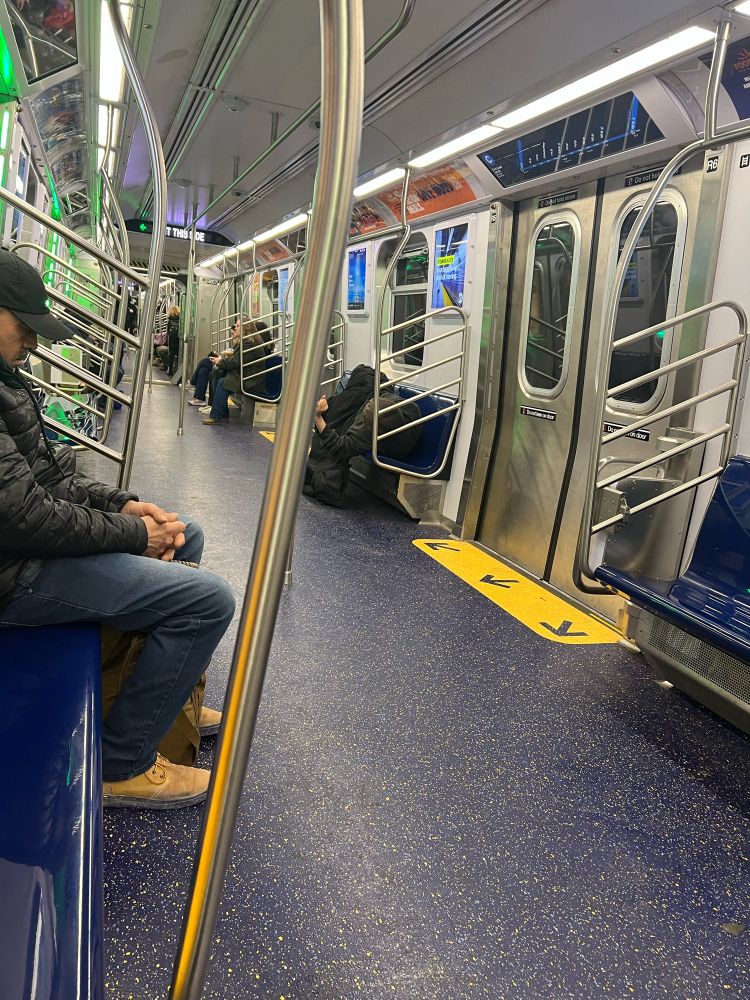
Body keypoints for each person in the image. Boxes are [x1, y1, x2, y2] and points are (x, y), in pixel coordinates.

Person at [0, 249, 236, 809]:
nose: (34, 344)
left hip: (20, 551)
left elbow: (53, 478)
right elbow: (22, 516)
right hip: (13, 575)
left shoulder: (8, 379)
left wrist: (126, 507)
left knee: (187, 534)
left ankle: (166, 705)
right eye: (25, 328)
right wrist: (133, 537)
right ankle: (122, 763)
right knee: (209, 602)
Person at [304, 375, 422, 507]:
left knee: (336, 419)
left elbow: (340, 448)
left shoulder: (367, 430)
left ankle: (323, 480)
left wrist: (318, 417)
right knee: (366, 376)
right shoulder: (409, 409)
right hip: (380, 407)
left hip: (381, 429)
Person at [202, 318, 270, 425]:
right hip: (243, 374)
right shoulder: (247, 341)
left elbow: (236, 362)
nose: (235, 327)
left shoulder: (249, 343)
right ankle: (222, 411)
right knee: (217, 373)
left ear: (245, 328)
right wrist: (221, 361)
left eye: (238, 326)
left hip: (250, 378)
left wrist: (220, 361)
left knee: (222, 383)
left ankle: (215, 415)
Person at [166, 304, 181, 377]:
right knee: (178, 354)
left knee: (171, 355)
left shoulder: (170, 320)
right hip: (178, 339)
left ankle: (170, 369)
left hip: (172, 340)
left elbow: (168, 332)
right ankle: (178, 370)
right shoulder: (181, 320)